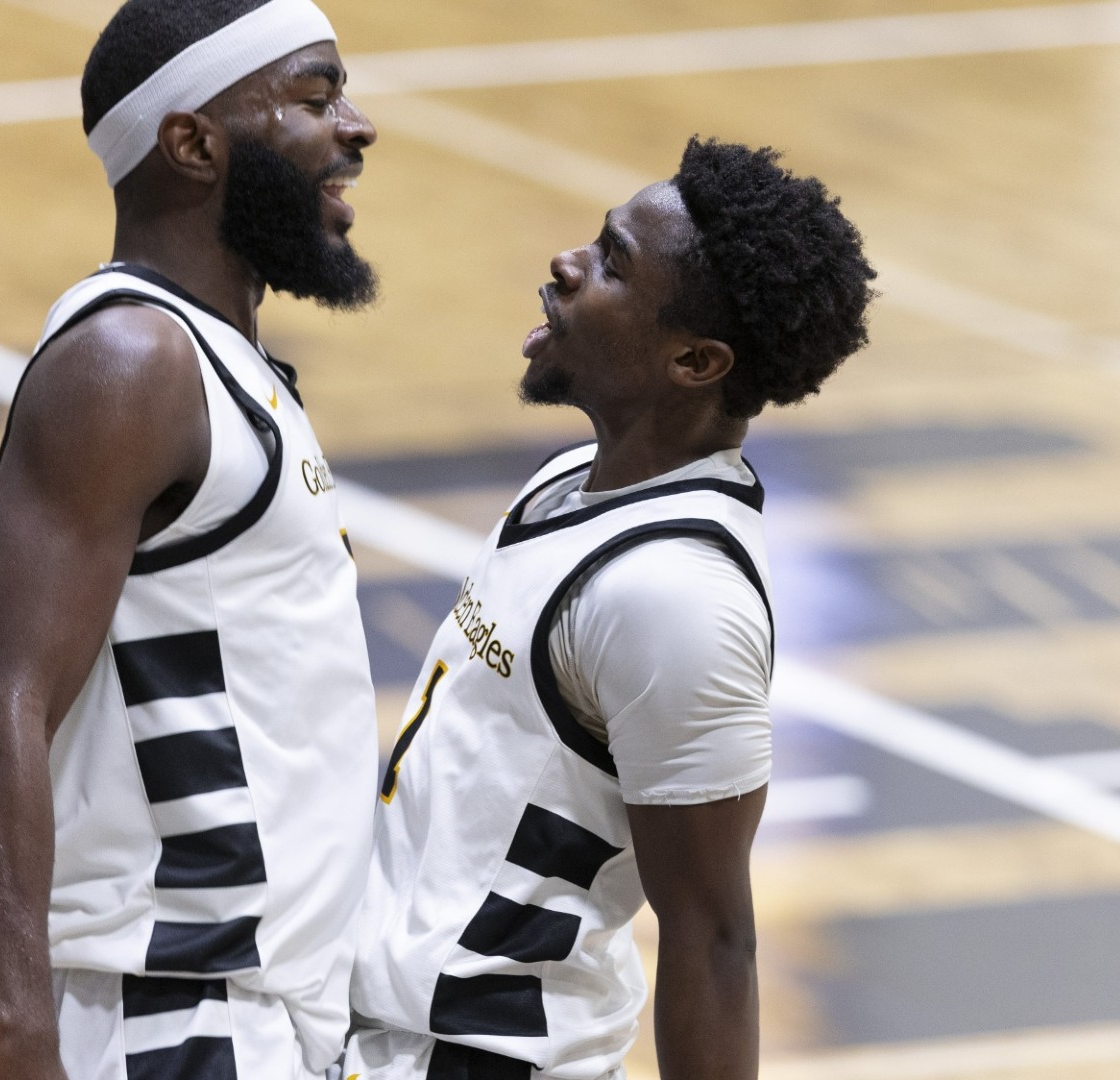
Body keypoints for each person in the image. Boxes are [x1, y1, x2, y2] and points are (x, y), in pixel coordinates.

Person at [346, 137, 876, 1080]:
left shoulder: (675, 599)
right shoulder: (570, 483)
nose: (566, 264)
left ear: (696, 360)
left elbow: (715, 941)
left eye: (612, 265)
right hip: (384, 1039)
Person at [0, 1, 382, 1077]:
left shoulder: (220, 363)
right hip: (173, 1020)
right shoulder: (135, 361)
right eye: (318, 98)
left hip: (254, 1006)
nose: (359, 128)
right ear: (193, 144)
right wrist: (15, 1029)